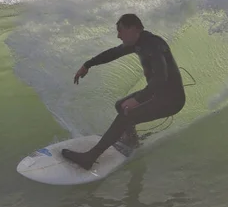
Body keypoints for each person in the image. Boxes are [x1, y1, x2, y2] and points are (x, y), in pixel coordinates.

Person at [61, 14, 186, 170]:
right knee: (121, 106)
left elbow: (161, 77)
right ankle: (132, 142)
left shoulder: (153, 45)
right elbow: (113, 53)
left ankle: (89, 158)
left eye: (120, 30)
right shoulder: (139, 43)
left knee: (126, 115)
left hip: (171, 99)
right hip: (159, 94)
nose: (118, 35)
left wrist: (139, 99)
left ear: (133, 28)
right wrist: (88, 64)